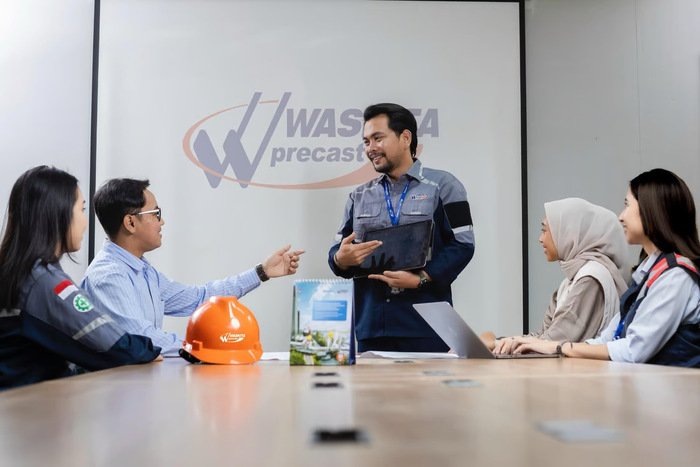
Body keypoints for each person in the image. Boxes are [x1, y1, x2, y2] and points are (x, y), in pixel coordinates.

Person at [81, 178, 304, 356]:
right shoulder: (108, 276)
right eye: (156, 214)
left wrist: (261, 272)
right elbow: (141, 339)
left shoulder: (144, 271)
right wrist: (207, 346)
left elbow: (199, 298)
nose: (162, 222)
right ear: (130, 223)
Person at [511, 169, 700, 367]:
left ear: (651, 210)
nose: (621, 216)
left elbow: (633, 351)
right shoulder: (647, 274)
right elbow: (607, 339)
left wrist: (561, 347)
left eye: (627, 205)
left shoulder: (675, 276)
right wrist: (557, 346)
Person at [328, 103, 475, 352]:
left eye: (378, 138)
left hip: (427, 326)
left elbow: (463, 245)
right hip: (372, 328)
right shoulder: (358, 196)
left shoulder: (446, 186)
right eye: (366, 141)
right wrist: (340, 259)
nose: (370, 148)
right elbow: (337, 253)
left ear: (405, 138)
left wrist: (422, 279)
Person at [0, 166, 160, 389]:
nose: (85, 222)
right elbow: (112, 343)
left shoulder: (21, 271)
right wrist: (149, 350)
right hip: (31, 404)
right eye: (81, 210)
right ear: (58, 214)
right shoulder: (45, 281)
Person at [487, 198, 629, 354]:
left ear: (568, 232)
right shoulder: (570, 282)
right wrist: (500, 342)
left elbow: (552, 342)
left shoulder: (591, 279)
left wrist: (499, 343)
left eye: (545, 230)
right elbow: (543, 337)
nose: (540, 239)